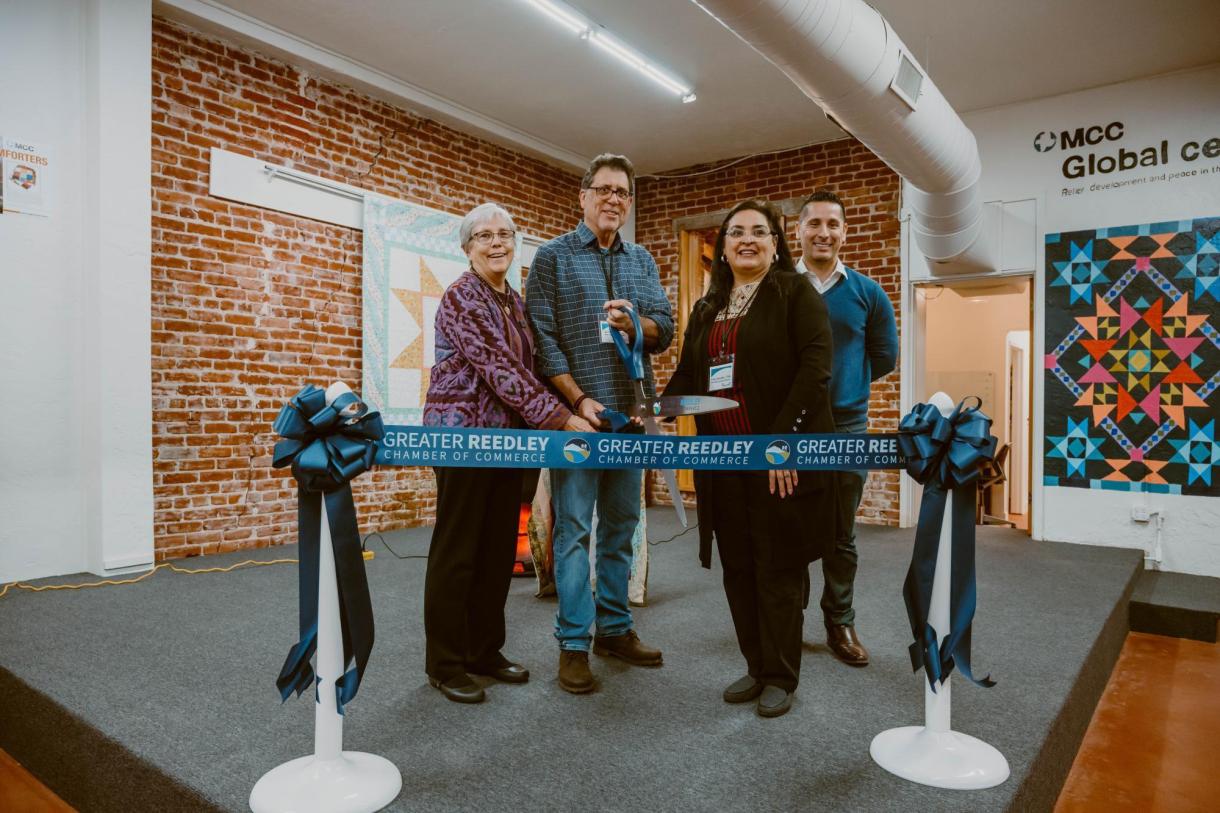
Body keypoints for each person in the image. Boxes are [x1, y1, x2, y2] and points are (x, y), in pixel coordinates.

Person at [664, 199, 838, 718]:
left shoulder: (794, 292)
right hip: (723, 464)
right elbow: (690, 378)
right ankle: (756, 666)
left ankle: (781, 675)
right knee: (737, 567)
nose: (747, 240)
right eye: (736, 232)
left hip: (778, 461)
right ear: (721, 247)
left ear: (776, 243)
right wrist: (651, 412)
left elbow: (815, 370)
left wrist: (781, 444)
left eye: (759, 232)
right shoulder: (707, 306)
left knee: (777, 567)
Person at [422, 202, 594, 704]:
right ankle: (446, 662)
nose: (497, 243)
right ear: (467, 247)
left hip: (510, 442)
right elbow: (499, 369)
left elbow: (534, 368)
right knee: (459, 553)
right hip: (463, 441)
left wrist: (579, 402)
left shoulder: (513, 302)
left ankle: (484, 650)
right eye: (484, 236)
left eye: (505, 235)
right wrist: (562, 418)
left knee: (498, 550)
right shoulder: (461, 297)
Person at [525, 153, 674, 694]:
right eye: (604, 189)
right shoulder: (552, 259)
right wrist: (577, 401)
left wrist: (639, 325)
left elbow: (667, 326)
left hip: (632, 418)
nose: (614, 199)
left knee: (620, 531)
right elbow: (541, 339)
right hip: (578, 424)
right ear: (583, 195)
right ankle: (572, 643)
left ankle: (614, 628)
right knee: (573, 532)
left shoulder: (642, 260)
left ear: (630, 203)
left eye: (623, 193)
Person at [796, 188, 898, 667]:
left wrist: (846, 383)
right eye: (814, 223)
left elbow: (885, 358)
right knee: (787, 525)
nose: (823, 232)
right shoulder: (779, 286)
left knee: (841, 531)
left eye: (832, 224)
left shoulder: (866, 292)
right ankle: (787, 616)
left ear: (843, 231)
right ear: (798, 230)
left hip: (846, 428)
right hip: (789, 429)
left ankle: (840, 620)